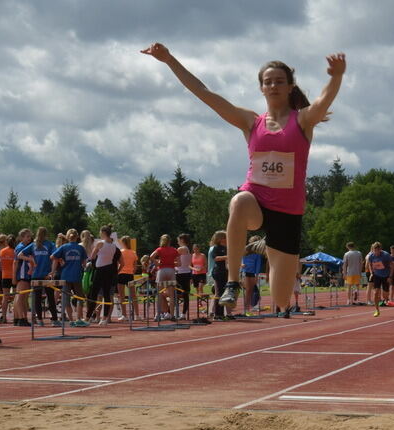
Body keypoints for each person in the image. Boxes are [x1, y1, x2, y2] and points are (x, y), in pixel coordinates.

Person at [142, 42, 346, 315]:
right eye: (268, 82)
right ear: (261, 88)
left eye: (279, 81)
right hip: (256, 200)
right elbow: (204, 93)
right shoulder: (250, 122)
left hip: (287, 212)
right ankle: (233, 281)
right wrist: (169, 60)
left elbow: (322, 102)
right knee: (238, 202)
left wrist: (336, 77)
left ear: (289, 86)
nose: (273, 86)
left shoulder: (302, 121)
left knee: (282, 298)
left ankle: (266, 246)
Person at [18, 227, 59, 327]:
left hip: (36, 275)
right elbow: (55, 258)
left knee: (37, 298)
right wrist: (52, 272)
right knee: (50, 297)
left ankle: (40, 320)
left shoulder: (34, 245)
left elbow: (20, 255)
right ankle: (54, 319)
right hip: (45, 275)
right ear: (46, 235)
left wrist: (30, 260)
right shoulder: (50, 244)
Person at [50, 229, 88, 326]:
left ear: (68, 237)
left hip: (65, 276)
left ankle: (71, 320)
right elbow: (84, 264)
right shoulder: (80, 248)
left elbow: (52, 256)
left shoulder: (64, 247)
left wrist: (61, 260)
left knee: (66, 299)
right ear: (77, 237)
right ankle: (79, 318)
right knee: (80, 298)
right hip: (77, 276)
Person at [86, 225, 119, 326]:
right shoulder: (114, 246)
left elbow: (92, 256)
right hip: (109, 270)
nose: (99, 234)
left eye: (100, 232)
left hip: (100, 270)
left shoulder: (100, 243)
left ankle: (88, 318)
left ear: (104, 233)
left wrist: (95, 250)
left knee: (94, 293)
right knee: (106, 294)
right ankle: (104, 318)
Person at [150, 234, 179, 320]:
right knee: (171, 295)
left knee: (159, 294)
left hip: (161, 271)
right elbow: (179, 263)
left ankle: (157, 315)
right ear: (170, 241)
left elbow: (151, 257)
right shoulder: (174, 250)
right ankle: (172, 315)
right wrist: (171, 263)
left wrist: (157, 263)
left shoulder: (159, 249)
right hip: (171, 271)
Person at [367, 242, 394, 317]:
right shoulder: (371, 256)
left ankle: (385, 299)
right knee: (376, 293)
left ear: (380, 250)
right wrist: (372, 273)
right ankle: (377, 310)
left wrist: (390, 276)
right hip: (377, 275)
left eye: (377, 251)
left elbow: (392, 265)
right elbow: (370, 264)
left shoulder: (386, 255)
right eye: (374, 251)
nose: (376, 253)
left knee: (385, 295)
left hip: (386, 276)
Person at [12, 228, 33, 327]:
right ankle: (21, 318)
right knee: (21, 297)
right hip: (22, 274)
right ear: (21, 237)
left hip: (24, 274)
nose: (29, 238)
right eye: (27, 236)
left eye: (30, 236)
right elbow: (15, 262)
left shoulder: (25, 246)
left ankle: (17, 317)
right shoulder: (21, 247)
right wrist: (14, 277)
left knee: (20, 296)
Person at [116, 235, 139, 322]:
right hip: (130, 275)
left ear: (123, 242)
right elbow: (135, 266)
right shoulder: (133, 252)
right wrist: (131, 272)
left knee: (121, 296)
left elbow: (118, 263)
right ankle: (137, 315)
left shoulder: (120, 252)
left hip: (121, 274)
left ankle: (124, 315)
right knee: (133, 295)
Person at [241, 235, 263, 313]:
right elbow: (240, 258)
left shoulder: (257, 252)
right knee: (247, 290)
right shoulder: (245, 249)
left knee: (250, 290)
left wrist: (257, 275)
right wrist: (241, 265)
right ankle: (246, 309)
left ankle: (248, 308)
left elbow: (258, 264)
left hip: (252, 273)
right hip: (245, 271)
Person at [208, 231, 228, 318]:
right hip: (218, 272)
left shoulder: (225, 248)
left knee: (223, 292)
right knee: (219, 292)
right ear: (221, 239)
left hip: (224, 271)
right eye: (226, 238)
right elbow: (216, 258)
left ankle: (221, 313)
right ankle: (218, 314)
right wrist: (227, 256)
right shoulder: (215, 248)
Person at [0, 234, 15, 324]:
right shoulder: (15, 251)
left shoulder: (2, 251)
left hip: (4, 276)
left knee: (5, 297)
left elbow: (1, 263)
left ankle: (4, 316)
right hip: (13, 276)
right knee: (16, 296)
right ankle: (17, 316)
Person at [175, 234, 193, 319]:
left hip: (181, 273)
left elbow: (172, 256)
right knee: (184, 294)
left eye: (178, 240)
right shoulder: (187, 249)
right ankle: (182, 313)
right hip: (185, 273)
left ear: (182, 240)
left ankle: (177, 313)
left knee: (177, 294)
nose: (177, 242)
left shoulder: (182, 248)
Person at [342, 241, 363, 306]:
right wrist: (360, 272)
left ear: (348, 247)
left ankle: (349, 300)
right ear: (354, 246)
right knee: (357, 285)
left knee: (349, 286)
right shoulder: (359, 253)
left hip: (350, 272)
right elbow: (361, 263)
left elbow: (345, 264)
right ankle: (357, 297)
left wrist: (344, 273)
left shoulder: (346, 254)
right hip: (357, 271)